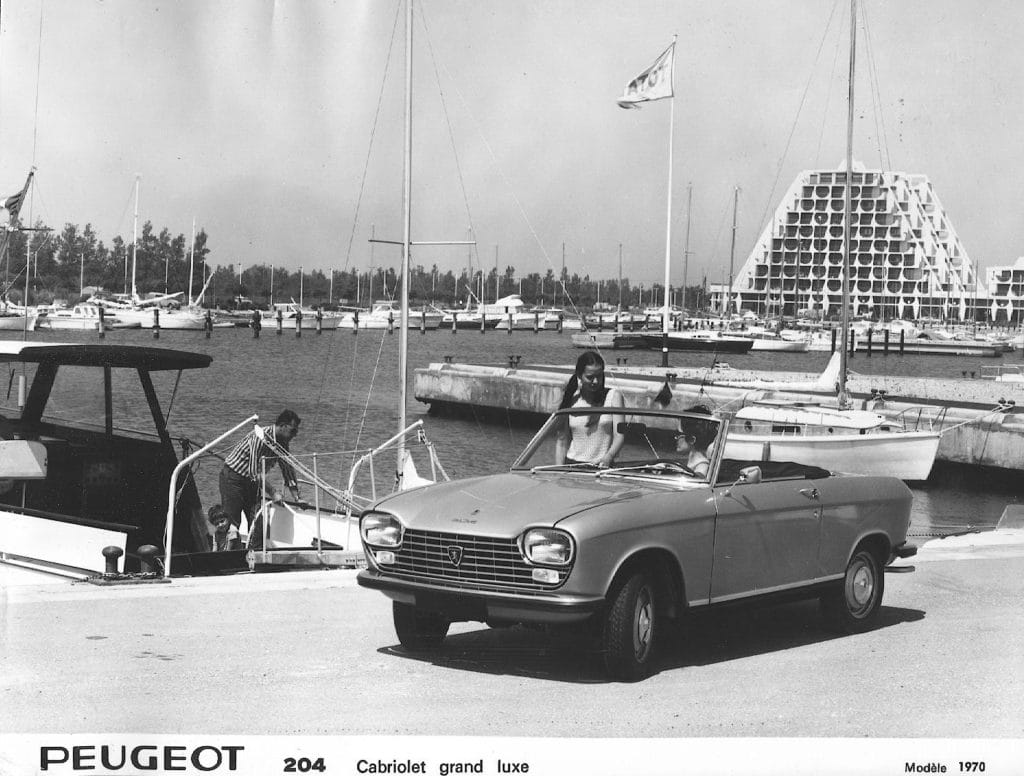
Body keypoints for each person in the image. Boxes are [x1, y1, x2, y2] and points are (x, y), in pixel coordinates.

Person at [219, 409, 302, 550]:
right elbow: (254, 472)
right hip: (233, 479)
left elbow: (287, 469)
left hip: (252, 483)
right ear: (283, 426)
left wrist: (297, 498)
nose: (295, 435)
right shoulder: (259, 436)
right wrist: (273, 493)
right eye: (293, 431)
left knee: (259, 524)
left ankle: (255, 555)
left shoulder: (282, 443)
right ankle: (227, 555)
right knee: (232, 523)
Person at [555, 351, 625, 467]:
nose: (596, 381)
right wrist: (558, 471)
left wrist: (609, 457)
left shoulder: (614, 397)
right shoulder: (571, 400)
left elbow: (620, 436)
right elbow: (562, 441)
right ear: (579, 376)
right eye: (590, 377)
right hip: (572, 465)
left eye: (599, 376)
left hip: (602, 466)